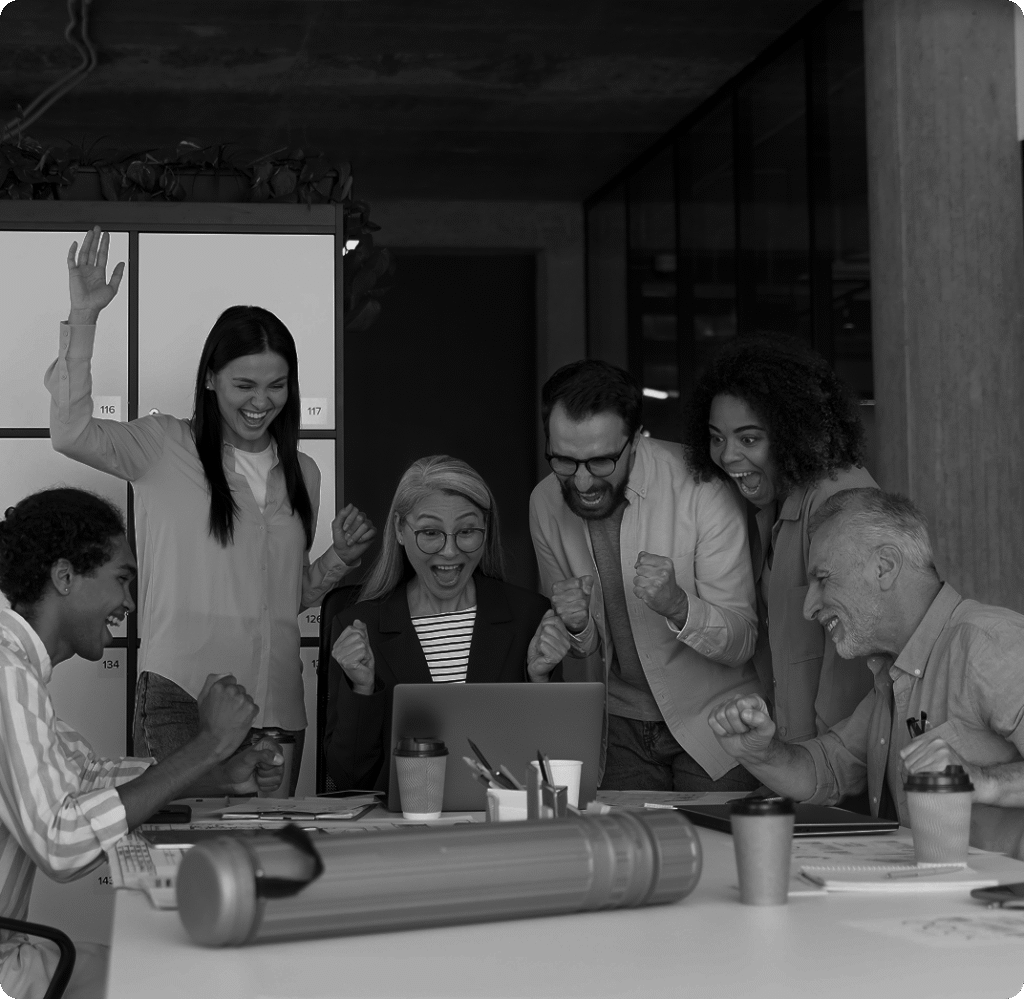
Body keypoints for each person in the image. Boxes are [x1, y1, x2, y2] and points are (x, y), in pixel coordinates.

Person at [46, 227, 376, 793]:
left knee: (269, 849)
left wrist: (339, 559)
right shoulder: (162, 445)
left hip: (277, 707)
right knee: (184, 845)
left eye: (277, 386)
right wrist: (84, 318)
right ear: (209, 379)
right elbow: (70, 431)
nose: (261, 402)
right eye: (244, 384)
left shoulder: (304, 472)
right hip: (182, 700)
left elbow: (284, 598)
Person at [0, 487, 284, 999]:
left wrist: (215, 773)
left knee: (173, 977)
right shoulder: (6, 673)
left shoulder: (15, 669)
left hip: (13, 954)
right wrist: (206, 746)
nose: (130, 603)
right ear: (64, 577)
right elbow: (60, 843)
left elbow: (86, 778)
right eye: (122, 580)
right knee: (180, 983)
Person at [708, 488, 1024, 826]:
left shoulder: (989, 643)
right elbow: (827, 769)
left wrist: (980, 780)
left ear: (884, 567)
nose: (808, 608)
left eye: (823, 579)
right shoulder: (893, 672)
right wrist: (760, 752)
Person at [529, 359, 762, 793]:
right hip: (617, 728)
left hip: (715, 722)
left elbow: (743, 639)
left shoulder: (704, 487)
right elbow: (580, 646)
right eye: (563, 460)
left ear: (636, 440)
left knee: (714, 839)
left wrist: (679, 606)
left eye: (601, 461)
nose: (582, 482)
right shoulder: (544, 502)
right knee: (624, 840)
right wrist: (576, 626)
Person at [324, 456, 569, 791]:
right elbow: (349, 778)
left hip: (499, 818)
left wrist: (539, 680)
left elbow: (555, 768)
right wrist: (361, 689)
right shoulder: (358, 627)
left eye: (466, 532)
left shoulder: (530, 617)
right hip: (405, 819)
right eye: (430, 533)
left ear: (486, 529)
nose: (450, 551)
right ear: (399, 529)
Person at [682, 335, 876, 744]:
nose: (727, 455)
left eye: (749, 439)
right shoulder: (768, 503)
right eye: (717, 438)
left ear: (793, 433)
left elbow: (856, 661)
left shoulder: (840, 499)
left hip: (835, 757)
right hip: (794, 751)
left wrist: (821, 763)